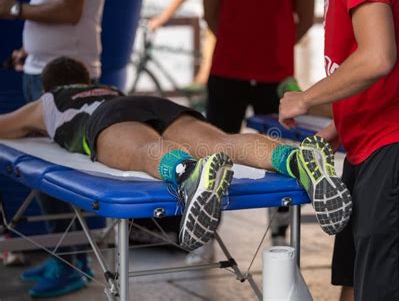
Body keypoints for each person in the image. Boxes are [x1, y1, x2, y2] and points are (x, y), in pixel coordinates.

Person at [0, 55, 352, 249]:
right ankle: (295, 158)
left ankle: (189, 172)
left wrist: (34, 120)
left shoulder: (49, 100)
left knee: (144, 149)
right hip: (154, 104)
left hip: (106, 120)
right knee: (222, 142)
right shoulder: (109, 87)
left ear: (50, 86)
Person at [278, 0, 399, 300]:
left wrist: (305, 98)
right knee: (354, 279)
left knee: (383, 289)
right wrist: (338, 126)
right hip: (370, 143)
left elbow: (377, 58)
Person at [0, 0, 106, 297]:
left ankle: (72, 264)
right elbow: (52, 6)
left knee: (62, 177)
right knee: (46, 180)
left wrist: (14, 10)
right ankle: (63, 257)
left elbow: (70, 9)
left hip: (65, 79)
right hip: (40, 70)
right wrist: (29, 49)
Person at [203, 0, 316, 246]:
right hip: (228, 71)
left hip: (275, 75)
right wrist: (241, 45)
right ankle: (206, 228)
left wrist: (274, 45)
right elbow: (211, 15)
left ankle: (279, 232)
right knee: (213, 153)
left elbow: (307, 19)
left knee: (280, 155)